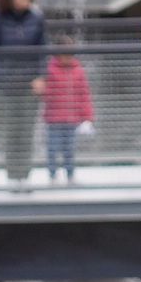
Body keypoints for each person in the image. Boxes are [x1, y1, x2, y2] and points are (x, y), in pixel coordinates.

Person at [0, 0, 46, 184]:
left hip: (29, 85)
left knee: (27, 130)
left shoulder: (36, 19)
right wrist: (1, 76)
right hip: (5, 85)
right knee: (11, 130)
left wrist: (40, 77)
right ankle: (12, 175)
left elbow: (43, 51)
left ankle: (24, 175)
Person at [42, 45, 93, 181]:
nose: (68, 59)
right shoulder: (49, 70)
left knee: (70, 149)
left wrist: (87, 117)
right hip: (53, 119)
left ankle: (70, 175)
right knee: (52, 148)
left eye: (71, 55)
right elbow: (44, 93)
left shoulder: (78, 71)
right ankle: (52, 175)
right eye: (65, 55)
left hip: (72, 119)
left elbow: (84, 95)